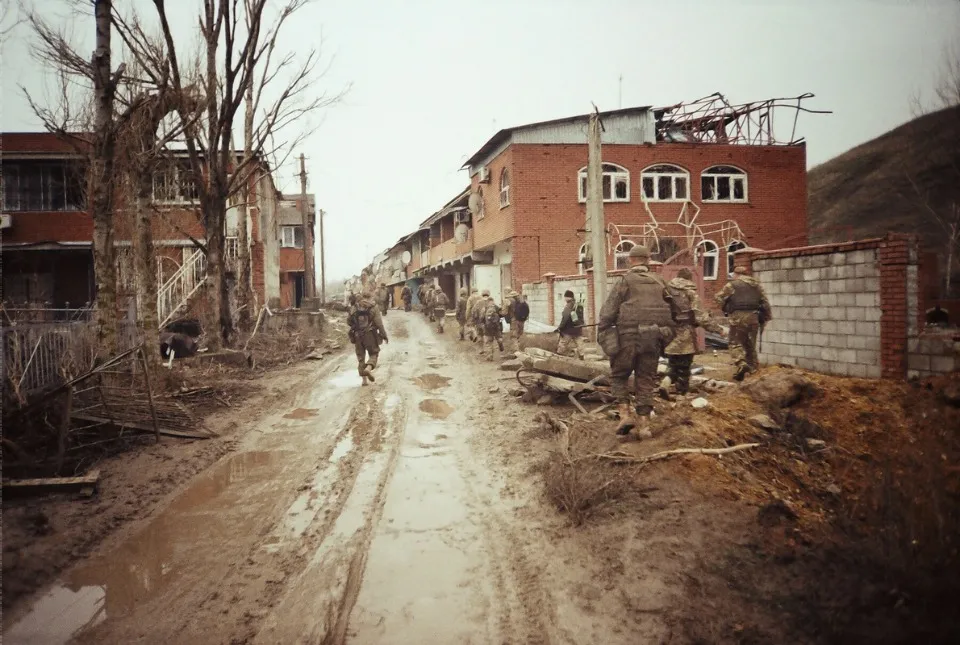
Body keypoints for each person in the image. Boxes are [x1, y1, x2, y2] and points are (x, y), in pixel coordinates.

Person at [598, 245, 673, 436]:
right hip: (653, 338)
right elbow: (676, 310)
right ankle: (645, 426)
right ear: (647, 260)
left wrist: (604, 332)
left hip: (627, 338)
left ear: (631, 260)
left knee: (619, 376)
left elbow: (608, 313)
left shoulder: (625, 281)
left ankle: (625, 415)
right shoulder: (661, 282)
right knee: (646, 380)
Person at [660, 268, 721, 398]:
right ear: (689, 279)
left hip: (669, 333)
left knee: (673, 362)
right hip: (686, 333)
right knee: (685, 366)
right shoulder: (691, 293)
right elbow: (701, 318)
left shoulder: (666, 290)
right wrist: (719, 330)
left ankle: (666, 382)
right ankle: (681, 394)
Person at [715, 264, 772, 381]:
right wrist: (766, 318)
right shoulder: (757, 286)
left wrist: (726, 307)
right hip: (754, 318)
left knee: (734, 343)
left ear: (736, 274)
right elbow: (765, 303)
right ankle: (753, 371)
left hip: (737, 318)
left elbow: (718, 298)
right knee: (750, 345)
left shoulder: (732, 285)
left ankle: (741, 364)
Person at [347, 291, 389, 386]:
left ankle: (364, 381)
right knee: (374, 353)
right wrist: (384, 335)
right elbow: (379, 324)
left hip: (357, 335)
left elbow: (349, 322)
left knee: (361, 357)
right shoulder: (373, 307)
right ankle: (368, 368)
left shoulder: (354, 307)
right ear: (370, 297)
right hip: (369, 334)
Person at [556, 289, 585, 359]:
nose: (564, 299)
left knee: (562, 344)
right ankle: (582, 357)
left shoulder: (568, 305)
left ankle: (559, 358)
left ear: (568, 297)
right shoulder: (578, 305)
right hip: (577, 329)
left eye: (565, 297)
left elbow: (565, 317)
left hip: (568, 329)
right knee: (579, 343)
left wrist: (560, 327)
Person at [479, 291, 504, 359]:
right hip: (496, 327)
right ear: (493, 301)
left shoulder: (485, 308)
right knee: (499, 338)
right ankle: (500, 342)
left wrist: (483, 325)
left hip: (488, 328)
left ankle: (489, 356)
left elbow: (481, 318)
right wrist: (500, 324)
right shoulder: (497, 308)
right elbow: (502, 316)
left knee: (488, 342)